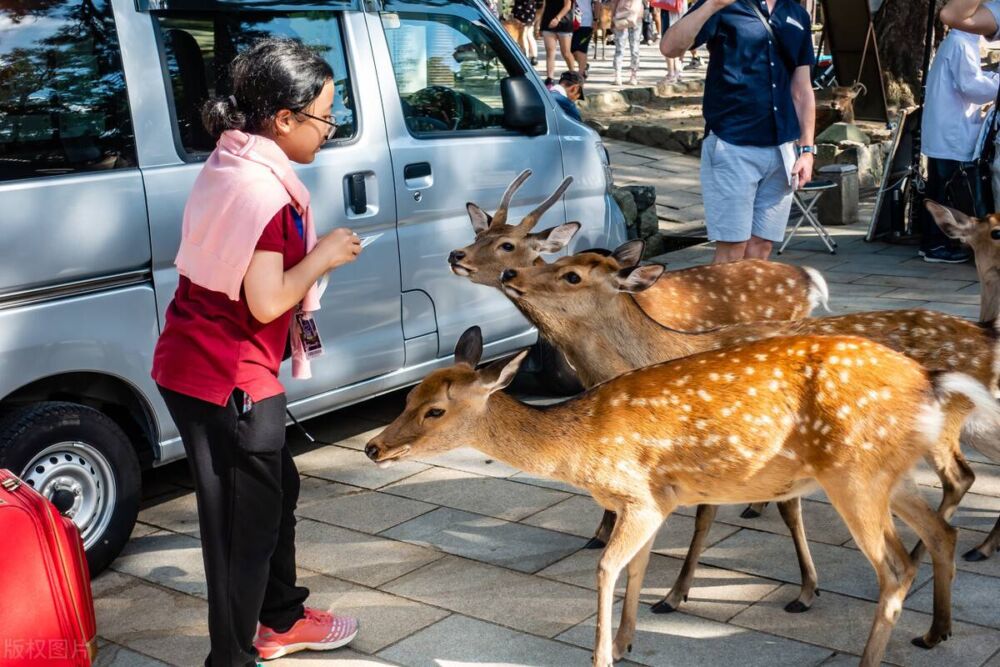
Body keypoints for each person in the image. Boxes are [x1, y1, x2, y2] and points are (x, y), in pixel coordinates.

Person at [151, 38, 362, 666]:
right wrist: (324, 254)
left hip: (195, 360)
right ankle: (234, 654)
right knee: (242, 530)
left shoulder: (231, 160)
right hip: (228, 378)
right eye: (325, 115)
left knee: (276, 492)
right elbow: (268, 301)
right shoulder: (265, 194)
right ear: (284, 119)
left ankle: (280, 616)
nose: (331, 128)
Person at [662, 0, 816, 264]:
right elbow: (670, 48)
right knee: (732, 248)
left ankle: (751, 307)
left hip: (782, 149)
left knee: (761, 247)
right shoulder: (725, 5)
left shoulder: (797, 14)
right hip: (732, 142)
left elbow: (802, 88)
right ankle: (722, 307)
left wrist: (807, 149)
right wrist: (711, 5)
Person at [652, 0, 688, 83]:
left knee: (668, 40)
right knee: (681, 40)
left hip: (670, 8)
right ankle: (678, 72)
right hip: (682, 8)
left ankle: (671, 73)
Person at [542, 0, 577, 82]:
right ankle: (550, 78)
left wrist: (557, 18)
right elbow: (544, 5)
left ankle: (573, 74)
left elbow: (568, 5)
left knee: (566, 53)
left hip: (564, 23)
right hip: (548, 22)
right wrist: (539, 24)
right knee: (550, 51)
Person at [612, 0, 644, 86]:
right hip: (635, 15)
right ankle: (632, 76)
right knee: (634, 48)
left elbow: (614, 2)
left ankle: (619, 75)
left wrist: (613, 15)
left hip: (624, 14)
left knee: (621, 47)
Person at [572, 0, 598, 78]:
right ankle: (584, 65)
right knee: (570, 50)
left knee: (581, 49)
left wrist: (596, 20)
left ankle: (580, 74)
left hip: (586, 22)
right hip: (570, 22)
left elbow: (597, 3)